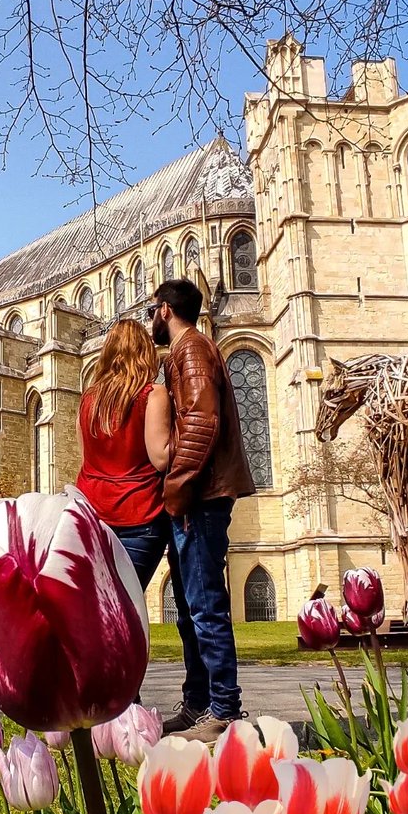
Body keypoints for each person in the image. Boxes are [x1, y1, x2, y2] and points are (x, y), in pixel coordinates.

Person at [150, 278, 254, 742]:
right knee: (192, 606)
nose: (152, 317)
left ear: (167, 310)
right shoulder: (187, 352)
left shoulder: (191, 351)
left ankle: (224, 709)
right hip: (201, 495)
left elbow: (200, 425)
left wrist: (177, 488)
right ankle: (197, 703)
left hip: (202, 497)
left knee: (206, 604)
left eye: (154, 308)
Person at [76, 319, 172, 589]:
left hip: (91, 514)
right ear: (146, 352)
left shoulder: (88, 400)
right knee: (125, 607)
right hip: (139, 514)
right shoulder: (152, 394)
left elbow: (86, 457)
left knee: (96, 607)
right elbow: (160, 457)